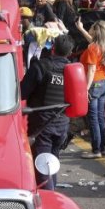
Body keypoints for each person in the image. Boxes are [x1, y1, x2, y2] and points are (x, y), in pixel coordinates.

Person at [21, 35, 74, 189]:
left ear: (53, 49)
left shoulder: (41, 66)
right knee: (52, 165)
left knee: (43, 169)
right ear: (69, 52)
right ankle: (53, 195)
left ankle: (50, 202)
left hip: (42, 126)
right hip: (62, 125)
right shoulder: (72, 71)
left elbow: (22, 92)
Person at [80, 20, 105, 158]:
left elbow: (91, 70)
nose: (90, 29)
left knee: (93, 118)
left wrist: (86, 89)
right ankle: (102, 148)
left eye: (92, 27)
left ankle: (96, 151)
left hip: (94, 84)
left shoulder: (92, 48)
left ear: (96, 31)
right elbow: (91, 41)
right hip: (104, 84)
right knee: (101, 117)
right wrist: (81, 28)